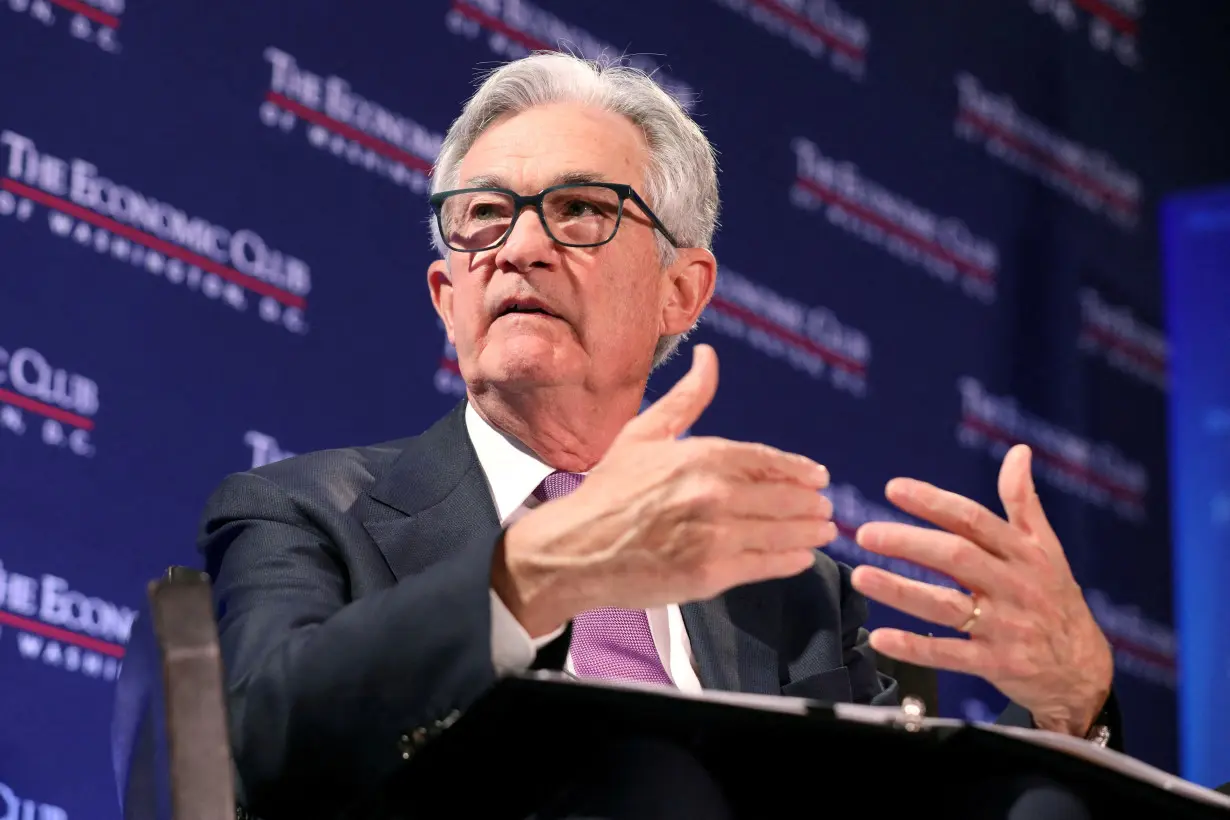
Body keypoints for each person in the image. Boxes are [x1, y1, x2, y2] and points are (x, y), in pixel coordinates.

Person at [196, 52, 1118, 819]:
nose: (517, 247)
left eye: (580, 210)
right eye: (483, 215)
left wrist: (1062, 704)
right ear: (448, 297)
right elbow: (268, 748)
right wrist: (541, 572)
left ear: (683, 291)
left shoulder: (793, 600)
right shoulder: (304, 514)